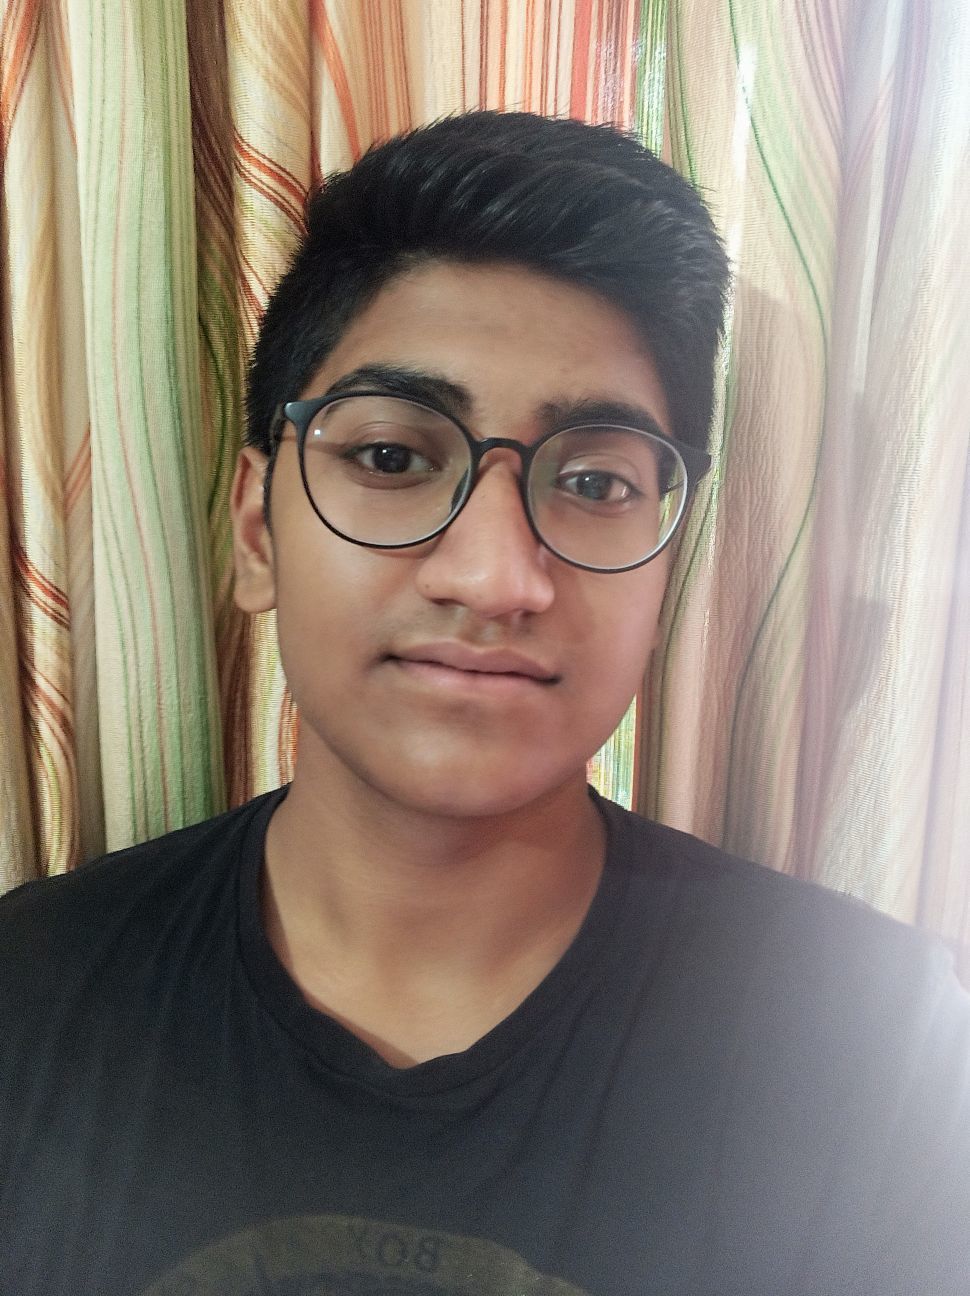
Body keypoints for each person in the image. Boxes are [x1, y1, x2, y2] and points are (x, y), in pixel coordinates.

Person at [1, 111, 968, 1296]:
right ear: (256, 532)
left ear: (665, 567)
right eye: (393, 459)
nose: (497, 577)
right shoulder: (28, 1000)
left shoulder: (876, 1052)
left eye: (594, 481)